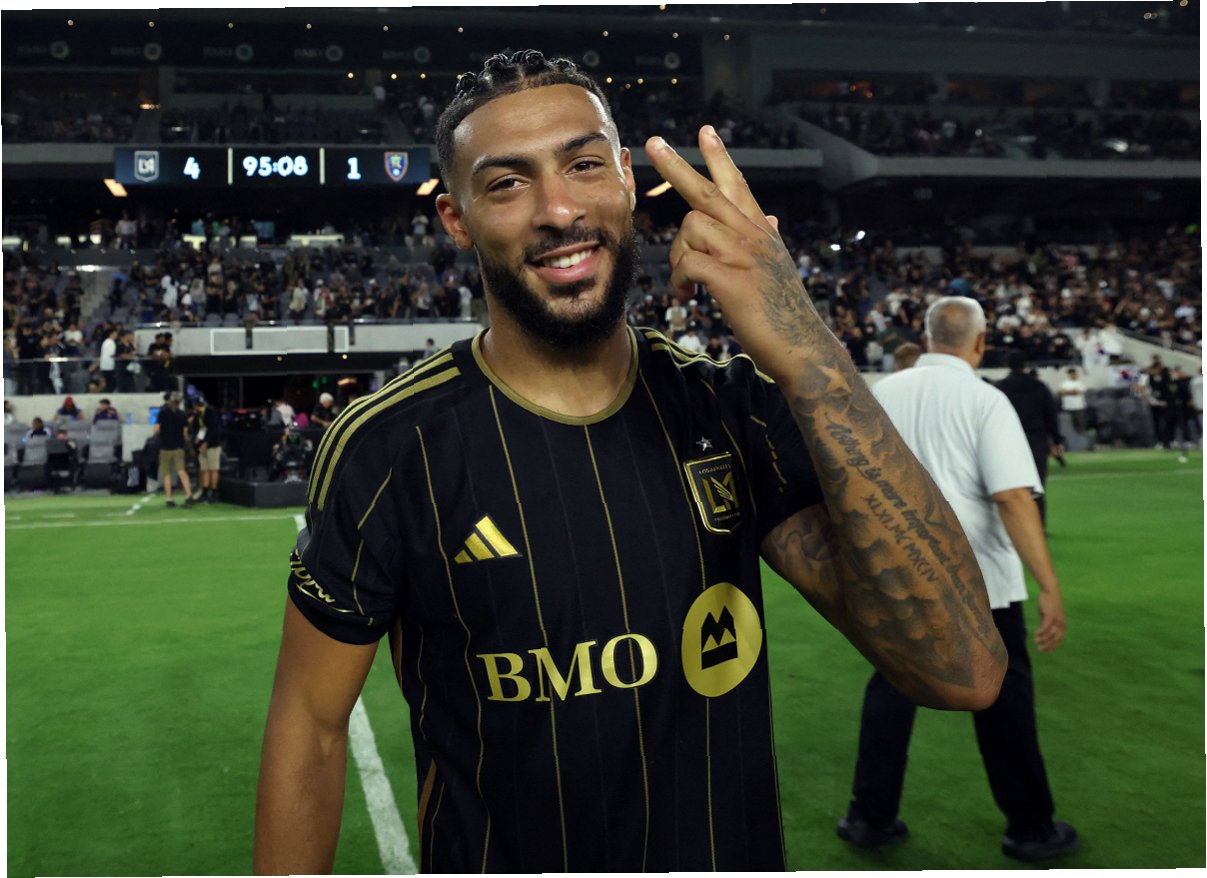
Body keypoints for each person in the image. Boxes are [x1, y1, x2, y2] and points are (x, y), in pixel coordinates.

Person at [254, 50, 1005, 875]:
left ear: (624, 177)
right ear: (455, 219)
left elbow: (961, 669)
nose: (558, 209)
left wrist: (806, 351)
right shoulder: (388, 446)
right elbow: (310, 728)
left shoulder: (727, 409)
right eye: (506, 184)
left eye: (583, 165)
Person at [837, 297, 1076, 863]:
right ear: (980, 342)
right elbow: (1012, 496)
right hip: (979, 580)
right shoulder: (984, 399)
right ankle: (1030, 827)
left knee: (892, 690)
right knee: (1004, 701)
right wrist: (1049, 585)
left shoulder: (882, 393)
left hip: (897, 576)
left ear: (925, 338)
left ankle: (869, 818)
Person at [996, 351, 1064, 526]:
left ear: (1007, 365)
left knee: (1009, 485)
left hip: (1007, 441)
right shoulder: (1039, 386)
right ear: (1025, 365)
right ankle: (1038, 525)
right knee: (1037, 484)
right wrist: (1056, 440)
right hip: (1036, 440)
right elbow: (1050, 415)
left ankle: (1013, 526)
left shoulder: (999, 387)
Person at [154, 391, 195, 508]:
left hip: (165, 448)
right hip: (178, 448)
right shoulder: (182, 415)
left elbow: (156, 429)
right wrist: (189, 447)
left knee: (167, 474)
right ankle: (188, 495)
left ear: (170, 401)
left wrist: (161, 435)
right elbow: (185, 434)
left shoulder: (162, 413)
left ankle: (169, 499)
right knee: (181, 471)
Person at [190, 396, 222, 503]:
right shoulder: (198, 414)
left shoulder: (210, 411)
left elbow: (213, 429)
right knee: (204, 470)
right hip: (201, 446)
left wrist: (206, 442)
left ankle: (214, 492)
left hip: (213, 445)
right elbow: (199, 429)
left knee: (213, 469)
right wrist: (197, 441)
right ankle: (204, 492)